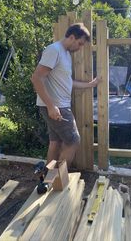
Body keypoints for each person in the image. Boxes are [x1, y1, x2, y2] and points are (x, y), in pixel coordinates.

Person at [31, 23, 101, 168]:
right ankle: (57, 179)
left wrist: (90, 84)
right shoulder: (54, 50)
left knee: (55, 142)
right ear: (71, 37)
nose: (80, 48)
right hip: (57, 107)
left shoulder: (66, 54)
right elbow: (37, 78)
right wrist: (51, 107)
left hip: (57, 106)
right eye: (80, 44)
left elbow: (67, 82)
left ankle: (48, 179)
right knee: (73, 141)